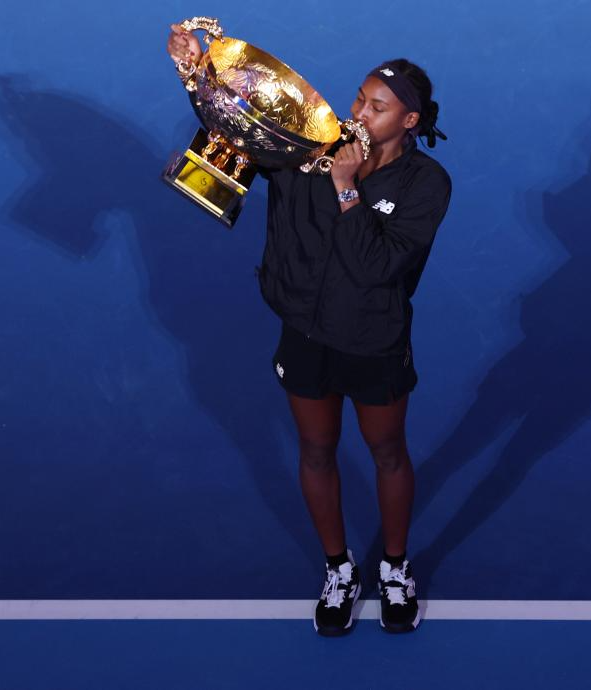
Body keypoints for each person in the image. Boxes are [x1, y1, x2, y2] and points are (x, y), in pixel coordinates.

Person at [167, 24, 451, 636]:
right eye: (359, 99)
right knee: (316, 449)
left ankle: (394, 568)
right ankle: (338, 569)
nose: (359, 114)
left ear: (409, 121)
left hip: (374, 337)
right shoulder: (309, 147)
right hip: (304, 330)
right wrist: (196, 75)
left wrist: (346, 189)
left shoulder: (426, 184)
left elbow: (378, 267)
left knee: (387, 451)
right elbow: (238, 135)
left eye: (378, 108)